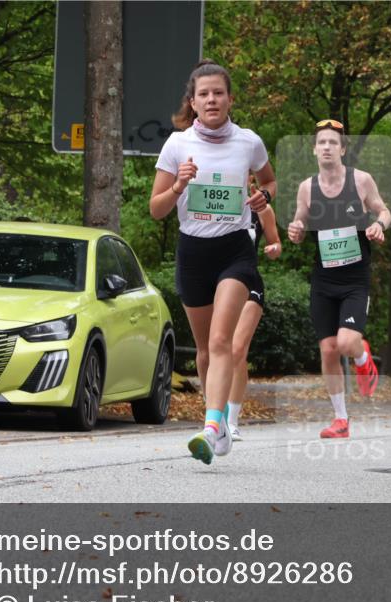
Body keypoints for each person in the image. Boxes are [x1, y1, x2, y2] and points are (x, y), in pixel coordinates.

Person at [150, 60, 276, 465]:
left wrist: (264, 197)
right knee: (204, 350)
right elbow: (156, 209)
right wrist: (179, 185)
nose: (211, 100)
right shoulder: (177, 145)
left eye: (218, 93)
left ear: (230, 99)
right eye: (203, 94)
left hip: (235, 251)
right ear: (193, 102)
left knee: (223, 341)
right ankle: (218, 424)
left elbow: (269, 181)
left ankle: (210, 426)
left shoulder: (249, 142)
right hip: (193, 252)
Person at [287, 119, 391, 439]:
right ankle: (341, 419)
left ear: (343, 149)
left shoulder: (361, 181)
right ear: (314, 149)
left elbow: (384, 211)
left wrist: (379, 226)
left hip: (355, 279)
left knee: (346, 343)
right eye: (322, 142)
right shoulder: (307, 188)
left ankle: (362, 356)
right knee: (329, 349)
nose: (327, 147)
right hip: (323, 279)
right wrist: (295, 230)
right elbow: (299, 222)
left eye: (333, 142)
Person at [227, 202, 282, 440]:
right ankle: (215, 416)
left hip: (249, 282)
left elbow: (276, 243)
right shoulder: (217, 200)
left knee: (237, 350)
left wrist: (274, 249)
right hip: (217, 283)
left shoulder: (262, 209)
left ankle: (231, 421)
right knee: (216, 349)